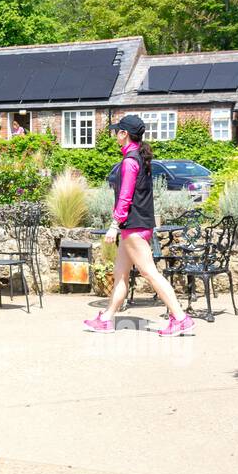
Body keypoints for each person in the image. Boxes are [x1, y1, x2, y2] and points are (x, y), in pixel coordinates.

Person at [83, 115, 196, 337]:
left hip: (132, 226)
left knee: (149, 273)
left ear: (124, 134)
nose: (115, 134)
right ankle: (106, 318)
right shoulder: (138, 157)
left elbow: (125, 196)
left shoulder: (129, 161)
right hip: (135, 226)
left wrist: (114, 225)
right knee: (120, 274)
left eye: (117, 131)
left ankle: (181, 318)